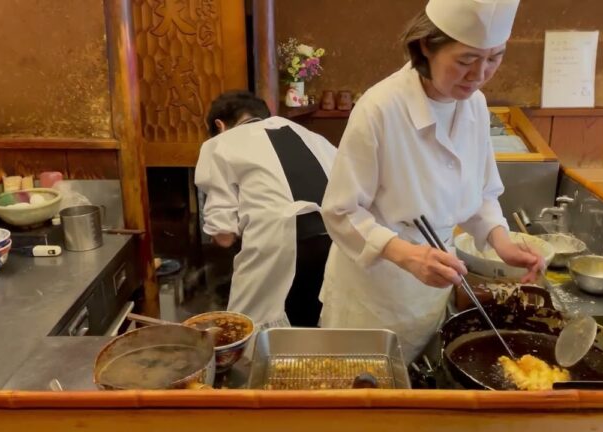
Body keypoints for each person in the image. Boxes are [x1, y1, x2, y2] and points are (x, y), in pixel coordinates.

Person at [319, 0, 544, 361]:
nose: (480, 74)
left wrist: (501, 242)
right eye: (466, 60)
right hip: (373, 298)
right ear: (427, 45)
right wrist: (407, 256)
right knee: (363, 403)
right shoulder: (380, 108)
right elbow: (341, 212)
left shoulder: (474, 105)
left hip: (431, 290)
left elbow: (480, 191)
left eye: (494, 58)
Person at [195, 90, 336, 330]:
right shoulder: (312, 136)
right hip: (337, 241)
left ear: (220, 125)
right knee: (319, 332)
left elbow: (224, 235)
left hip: (276, 244)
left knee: (250, 332)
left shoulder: (219, 144)